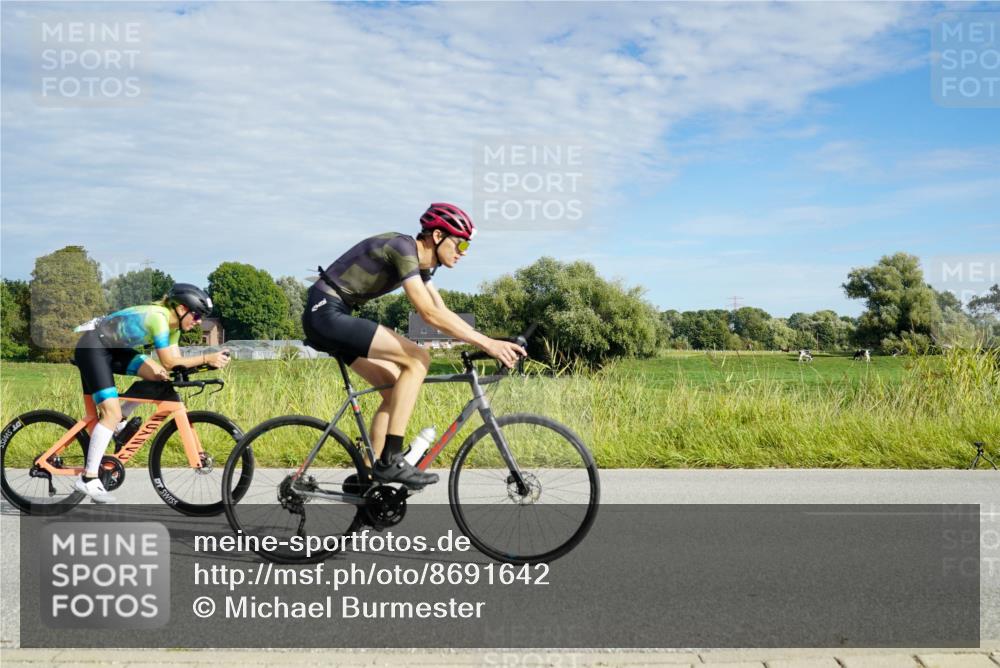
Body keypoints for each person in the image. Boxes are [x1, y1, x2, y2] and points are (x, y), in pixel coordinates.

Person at [303, 203, 525, 488]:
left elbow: (441, 310)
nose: (462, 253)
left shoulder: (422, 267)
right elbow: (427, 314)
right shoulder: (403, 248)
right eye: (461, 245)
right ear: (436, 236)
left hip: (333, 315)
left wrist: (490, 341)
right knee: (417, 358)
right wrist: (487, 344)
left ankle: (369, 475)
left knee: (393, 389)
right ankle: (392, 460)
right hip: (325, 313)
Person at [72, 283, 230, 503]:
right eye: (196, 315)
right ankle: (88, 478)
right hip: (92, 348)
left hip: (113, 349)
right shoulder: (159, 318)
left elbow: (172, 365)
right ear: (181, 309)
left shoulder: (174, 329)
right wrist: (206, 358)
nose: (198, 322)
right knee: (110, 413)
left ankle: (119, 424)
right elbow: (169, 360)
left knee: (159, 375)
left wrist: (206, 365)